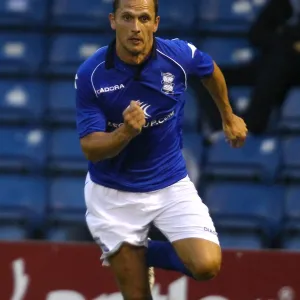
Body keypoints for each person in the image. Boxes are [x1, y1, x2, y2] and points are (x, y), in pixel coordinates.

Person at [75, 0, 248, 298]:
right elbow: (91, 148)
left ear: (155, 23)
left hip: (170, 183)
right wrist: (125, 133)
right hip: (112, 194)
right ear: (112, 21)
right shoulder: (91, 74)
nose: (135, 27)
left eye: (143, 18)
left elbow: (210, 70)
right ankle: (126, 250)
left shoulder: (178, 55)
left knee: (207, 266)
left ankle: (142, 252)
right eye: (127, 17)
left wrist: (228, 115)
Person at [244, 0, 300, 134]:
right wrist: (287, 41)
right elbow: (256, 35)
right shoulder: (281, 5)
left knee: (278, 64)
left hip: (288, 68)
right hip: (270, 67)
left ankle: (254, 123)